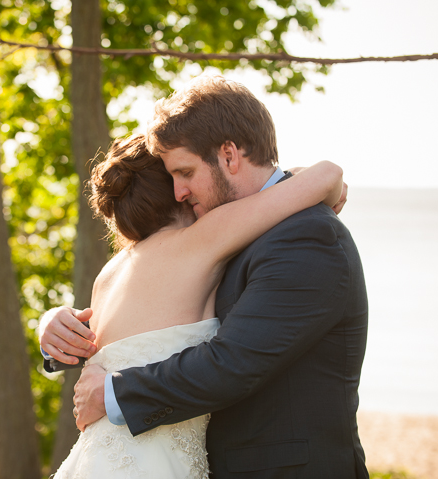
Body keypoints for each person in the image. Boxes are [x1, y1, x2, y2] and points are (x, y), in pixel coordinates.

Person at [42, 75, 368, 478]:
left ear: (229, 155)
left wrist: (113, 393)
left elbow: (235, 362)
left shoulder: (305, 234)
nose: (179, 192)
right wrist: (56, 327)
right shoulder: (216, 237)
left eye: (185, 172)